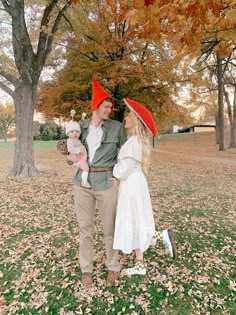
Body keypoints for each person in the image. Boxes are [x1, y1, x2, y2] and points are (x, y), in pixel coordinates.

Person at [67, 78, 127, 288]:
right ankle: (86, 270)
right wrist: (70, 159)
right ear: (96, 106)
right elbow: (70, 152)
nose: (110, 110)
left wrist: (119, 175)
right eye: (106, 106)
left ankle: (113, 266)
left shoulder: (117, 128)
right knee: (85, 230)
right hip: (82, 184)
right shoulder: (79, 128)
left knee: (110, 229)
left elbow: (125, 154)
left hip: (107, 183)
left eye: (111, 107)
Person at [112, 98, 177, 276]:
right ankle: (140, 264)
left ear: (135, 121)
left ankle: (159, 236)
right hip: (135, 184)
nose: (125, 118)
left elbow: (123, 170)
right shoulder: (135, 141)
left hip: (131, 186)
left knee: (134, 219)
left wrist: (114, 171)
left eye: (129, 115)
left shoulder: (133, 144)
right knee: (136, 220)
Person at [65, 120, 91, 188]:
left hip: (81, 158)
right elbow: (70, 149)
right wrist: (78, 150)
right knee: (86, 168)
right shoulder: (70, 141)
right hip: (79, 158)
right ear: (67, 134)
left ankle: (84, 181)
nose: (75, 133)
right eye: (72, 132)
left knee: (85, 168)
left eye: (77, 131)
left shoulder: (76, 140)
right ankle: (84, 182)